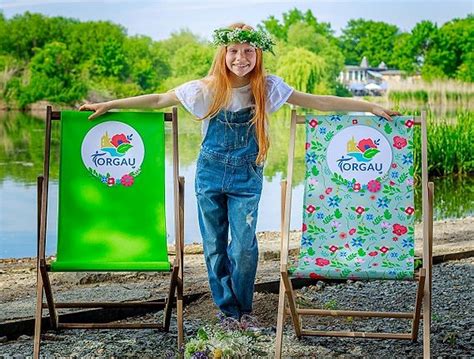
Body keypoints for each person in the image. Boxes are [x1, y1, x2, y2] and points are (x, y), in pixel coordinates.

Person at [80, 23, 400, 321]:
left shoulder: (268, 88)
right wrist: (110, 104)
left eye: (248, 51)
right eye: (234, 51)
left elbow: (317, 101)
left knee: (244, 246)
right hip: (209, 174)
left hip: (247, 175)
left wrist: (368, 106)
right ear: (223, 54)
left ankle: (243, 308)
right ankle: (227, 310)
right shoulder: (206, 89)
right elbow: (160, 99)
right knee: (215, 244)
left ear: (258, 54)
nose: (240, 58)